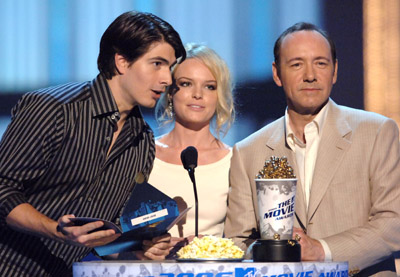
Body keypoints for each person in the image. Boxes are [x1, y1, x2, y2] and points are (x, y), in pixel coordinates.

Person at [0, 11, 185, 276]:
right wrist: (55, 229)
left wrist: (141, 247)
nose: (167, 79)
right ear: (122, 61)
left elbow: (107, 236)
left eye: (170, 67)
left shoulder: (142, 140)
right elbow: (3, 188)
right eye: (157, 64)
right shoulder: (54, 109)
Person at [224, 22, 400, 276]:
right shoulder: (248, 151)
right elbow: (237, 243)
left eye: (321, 63)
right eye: (296, 64)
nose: (310, 75)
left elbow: (394, 223)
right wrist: (274, 251)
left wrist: (322, 250)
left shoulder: (377, 132)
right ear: (277, 74)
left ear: (335, 71)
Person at [148, 43, 235, 243]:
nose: (198, 94)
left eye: (209, 86)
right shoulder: (145, 154)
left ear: (219, 96)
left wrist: (210, 245)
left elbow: (245, 237)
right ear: (170, 91)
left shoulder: (234, 161)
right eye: (187, 84)